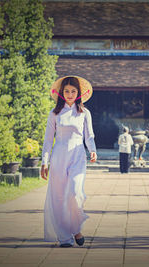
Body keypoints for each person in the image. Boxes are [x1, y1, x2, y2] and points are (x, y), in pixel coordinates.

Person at [41, 75, 97, 248]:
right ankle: (65, 237)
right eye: (67, 91)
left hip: (78, 156)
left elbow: (89, 135)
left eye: (73, 91)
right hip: (58, 156)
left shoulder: (84, 113)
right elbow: (48, 140)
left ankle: (76, 229)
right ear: (61, 93)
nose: (70, 94)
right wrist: (45, 161)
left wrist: (93, 149)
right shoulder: (55, 113)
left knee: (74, 193)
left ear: (79, 93)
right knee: (58, 197)